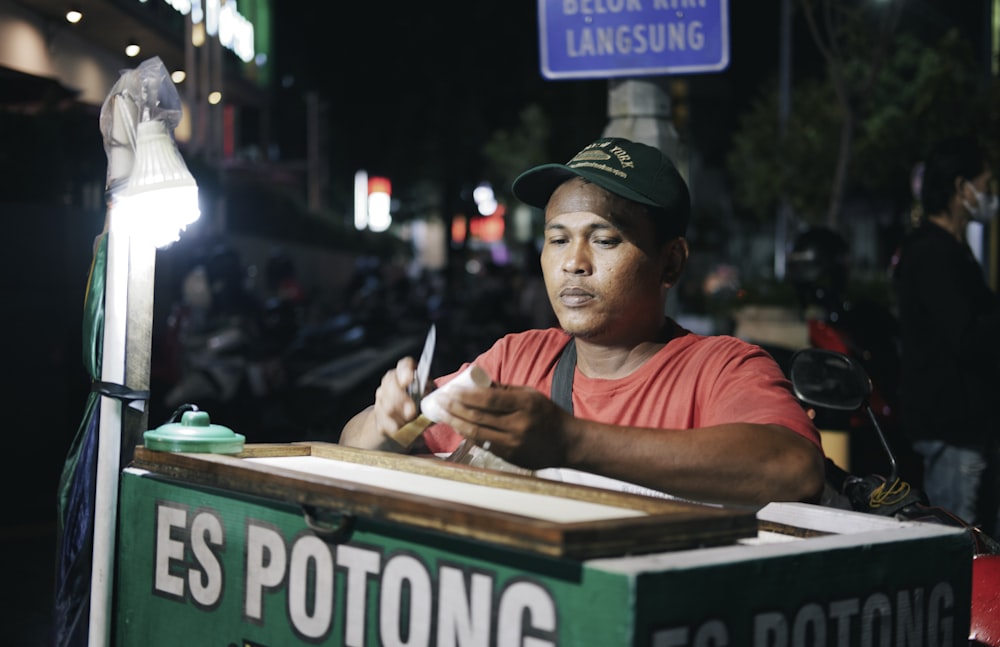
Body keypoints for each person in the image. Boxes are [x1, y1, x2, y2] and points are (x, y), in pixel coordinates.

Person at [340, 137, 826, 507]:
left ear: (671, 263)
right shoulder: (517, 358)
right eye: (557, 239)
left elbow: (792, 466)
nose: (574, 263)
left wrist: (570, 441)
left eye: (605, 240)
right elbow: (353, 446)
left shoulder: (720, 369)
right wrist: (389, 419)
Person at [893, 134, 1000, 533]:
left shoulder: (950, 250)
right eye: (985, 184)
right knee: (964, 550)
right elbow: (967, 335)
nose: (988, 195)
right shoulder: (933, 254)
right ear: (961, 187)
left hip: (966, 430)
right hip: (953, 433)